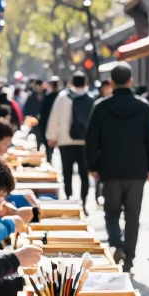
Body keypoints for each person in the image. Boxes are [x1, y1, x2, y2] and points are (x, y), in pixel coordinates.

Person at [85, 62, 149, 272]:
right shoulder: (143, 106)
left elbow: (91, 139)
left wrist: (92, 165)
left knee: (111, 211)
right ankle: (129, 255)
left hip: (110, 169)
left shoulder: (101, 106)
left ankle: (116, 244)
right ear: (131, 81)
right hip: (137, 170)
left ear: (111, 83)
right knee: (133, 215)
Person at [46, 72, 93, 211]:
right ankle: (83, 202)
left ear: (72, 83)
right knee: (84, 174)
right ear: (85, 83)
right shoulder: (90, 99)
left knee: (67, 172)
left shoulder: (62, 97)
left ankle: (68, 198)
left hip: (65, 141)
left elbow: (54, 117)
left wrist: (52, 137)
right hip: (84, 142)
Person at [39, 76, 62, 153]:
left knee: (49, 150)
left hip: (48, 126)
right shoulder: (62, 97)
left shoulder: (48, 97)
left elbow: (43, 114)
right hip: (59, 127)